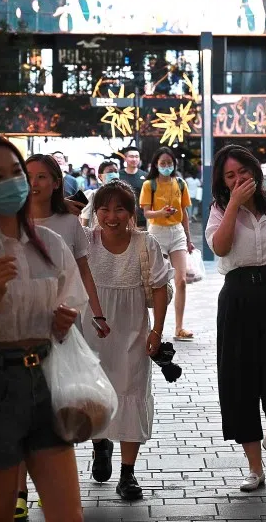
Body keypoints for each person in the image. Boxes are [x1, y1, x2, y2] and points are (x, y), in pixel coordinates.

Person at [0, 135, 88, 521]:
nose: (14, 182)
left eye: (16, 172)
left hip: (46, 380)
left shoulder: (50, 242)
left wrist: (64, 320)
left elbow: (71, 304)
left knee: (68, 512)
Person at [204, 145, 266, 492]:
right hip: (237, 297)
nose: (238, 179)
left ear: (255, 171)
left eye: (242, 172)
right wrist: (232, 205)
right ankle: (255, 467)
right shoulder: (219, 208)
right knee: (239, 381)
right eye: (230, 175)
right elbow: (220, 247)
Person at [17, 153, 107, 517]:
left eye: (42, 176)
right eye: (28, 176)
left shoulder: (69, 222)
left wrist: (95, 312)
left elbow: (83, 270)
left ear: (57, 182)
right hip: (20, 326)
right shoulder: (8, 220)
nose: (34, 183)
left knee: (53, 406)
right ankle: (19, 490)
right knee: (23, 408)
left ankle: (48, 484)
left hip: (63, 321)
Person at [81, 182, 172, 500]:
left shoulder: (145, 243)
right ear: (95, 212)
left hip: (133, 330)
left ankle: (128, 473)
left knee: (132, 392)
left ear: (131, 213)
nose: (111, 216)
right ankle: (100, 443)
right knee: (95, 395)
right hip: (92, 329)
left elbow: (160, 288)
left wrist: (157, 332)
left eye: (120, 208)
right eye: (104, 208)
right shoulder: (85, 241)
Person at [140, 147, 195, 341]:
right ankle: (158, 327)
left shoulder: (180, 183)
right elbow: (146, 213)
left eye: (169, 163)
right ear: (156, 165)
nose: (166, 167)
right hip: (157, 233)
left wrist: (189, 238)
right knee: (159, 282)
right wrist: (161, 213)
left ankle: (179, 327)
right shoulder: (149, 185)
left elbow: (185, 212)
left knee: (181, 281)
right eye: (162, 163)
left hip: (177, 231)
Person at [81, 160, 121, 228]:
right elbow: (85, 223)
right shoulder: (92, 195)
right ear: (100, 176)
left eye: (116, 171)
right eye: (110, 172)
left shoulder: (122, 195)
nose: (114, 174)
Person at [119, 146, 148, 228]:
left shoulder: (145, 176)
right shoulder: (118, 175)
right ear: (125, 158)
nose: (134, 159)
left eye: (137, 157)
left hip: (141, 219)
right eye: (131, 156)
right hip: (123, 218)